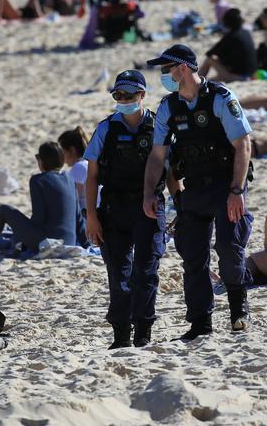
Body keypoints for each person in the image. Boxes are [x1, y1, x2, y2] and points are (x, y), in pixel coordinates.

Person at [143, 44, 254, 340]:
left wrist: (236, 190)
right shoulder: (169, 107)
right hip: (192, 188)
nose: (165, 75)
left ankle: (238, 309)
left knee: (229, 249)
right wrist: (149, 193)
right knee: (193, 256)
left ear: (183, 68)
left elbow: (243, 145)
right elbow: (158, 156)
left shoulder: (220, 98)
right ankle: (200, 323)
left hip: (225, 186)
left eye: (168, 69)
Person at [84, 70, 167, 349]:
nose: (123, 100)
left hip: (150, 206)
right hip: (114, 207)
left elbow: (172, 171)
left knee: (146, 271)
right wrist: (91, 217)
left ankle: (143, 332)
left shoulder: (158, 126)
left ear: (142, 95)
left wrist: (181, 205)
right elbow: (91, 176)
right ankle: (121, 335)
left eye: (129, 95)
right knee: (118, 274)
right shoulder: (106, 129)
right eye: (118, 95)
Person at [0, 142, 83, 259]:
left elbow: (39, 218)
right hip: (70, 241)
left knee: (4, 210)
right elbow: (79, 218)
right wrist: (86, 244)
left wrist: (21, 235)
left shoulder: (38, 180)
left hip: (48, 242)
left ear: (41, 160)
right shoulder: (70, 179)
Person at [198, 8, 257, 82]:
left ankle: (197, 81)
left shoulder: (231, 36)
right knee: (212, 79)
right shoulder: (246, 33)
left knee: (210, 59)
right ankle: (198, 81)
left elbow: (209, 53)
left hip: (240, 77)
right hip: (253, 74)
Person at [58, 127, 89, 213]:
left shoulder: (79, 167)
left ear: (72, 150)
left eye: (62, 152)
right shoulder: (89, 163)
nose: (61, 156)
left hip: (87, 218)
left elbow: (72, 199)